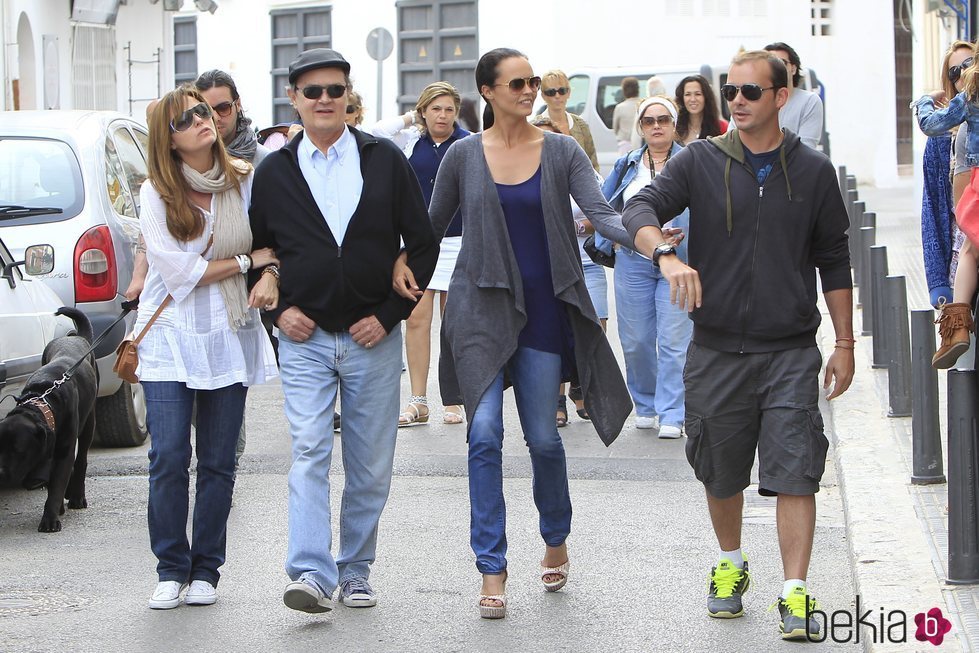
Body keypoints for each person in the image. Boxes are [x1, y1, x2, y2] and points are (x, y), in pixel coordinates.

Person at [623, 50, 853, 642]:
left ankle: (795, 590)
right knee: (721, 473)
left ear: (783, 96)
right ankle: (730, 563)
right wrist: (665, 255)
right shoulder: (700, 160)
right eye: (732, 91)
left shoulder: (813, 171)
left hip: (790, 349)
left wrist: (845, 341)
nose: (739, 100)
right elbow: (639, 208)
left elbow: (835, 260)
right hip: (718, 347)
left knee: (797, 470)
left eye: (751, 91)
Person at [397, 47, 633, 620]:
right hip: (479, 309)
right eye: (519, 82)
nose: (530, 91)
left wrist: (650, 242)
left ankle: (555, 533)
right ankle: (492, 567)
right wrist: (399, 262)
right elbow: (430, 227)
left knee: (544, 440)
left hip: (544, 312)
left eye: (534, 82)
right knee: (481, 437)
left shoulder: (561, 150)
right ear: (489, 91)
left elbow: (601, 215)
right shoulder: (461, 156)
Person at [249, 48, 438, 614]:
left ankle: (355, 570)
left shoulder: (383, 160)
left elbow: (422, 244)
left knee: (370, 460)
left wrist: (387, 316)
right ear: (294, 101)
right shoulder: (275, 171)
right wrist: (276, 315)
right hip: (303, 339)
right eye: (313, 93)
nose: (325, 100)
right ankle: (310, 571)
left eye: (335, 90)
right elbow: (259, 253)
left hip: (370, 340)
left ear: (349, 96)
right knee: (308, 449)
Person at [139, 85, 279, 610]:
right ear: (169, 141)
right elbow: (179, 273)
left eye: (204, 111)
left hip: (229, 333)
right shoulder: (156, 192)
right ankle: (170, 567)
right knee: (169, 456)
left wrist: (271, 267)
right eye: (186, 119)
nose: (202, 120)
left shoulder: (242, 183)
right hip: (169, 339)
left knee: (219, 461)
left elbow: (277, 244)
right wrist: (246, 263)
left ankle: (206, 570)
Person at [371, 81, 470, 426]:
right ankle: (418, 400)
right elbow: (376, 132)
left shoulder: (469, 143)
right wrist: (409, 117)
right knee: (415, 319)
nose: (442, 116)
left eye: (448, 109)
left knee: (453, 324)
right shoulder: (410, 141)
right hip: (420, 243)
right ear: (424, 111)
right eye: (435, 109)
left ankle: (454, 399)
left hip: (460, 241)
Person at [597, 96, 692, 437]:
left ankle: (672, 412)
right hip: (633, 260)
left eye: (663, 120)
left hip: (677, 263)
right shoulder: (626, 165)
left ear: (674, 124)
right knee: (636, 340)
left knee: (673, 339)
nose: (656, 126)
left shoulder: (692, 161)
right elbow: (603, 210)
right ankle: (647, 403)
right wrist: (626, 232)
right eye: (649, 120)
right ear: (640, 126)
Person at [535, 116, 610, 425]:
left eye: (551, 138)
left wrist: (576, 226)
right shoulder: (523, 173)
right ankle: (557, 399)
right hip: (548, 265)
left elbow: (604, 212)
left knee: (594, 327)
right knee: (555, 332)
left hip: (587, 263)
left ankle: (583, 385)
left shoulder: (578, 168)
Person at [915, 41, 979, 368]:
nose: (964, 72)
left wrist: (923, 103)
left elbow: (927, 121)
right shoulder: (943, 143)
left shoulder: (968, 106)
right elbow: (934, 215)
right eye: (956, 70)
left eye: (970, 64)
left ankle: (956, 328)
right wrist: (939, 283)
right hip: (962, 258)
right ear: (949, 82)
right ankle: (957, 324)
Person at [195, 69, 270, 166]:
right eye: (205, 110)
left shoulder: (265, 161)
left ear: (238, 104)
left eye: (223, 108)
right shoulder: (187, 160)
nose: (215, 118)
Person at [531, 69, 599, 171]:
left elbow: (593, 164)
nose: (557, 96)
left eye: (562, 91)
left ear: (568, 93)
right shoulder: (534, 127)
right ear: (543, 96)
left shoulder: (581, 125)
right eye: (551, 92)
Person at [762, 42, 824, 150]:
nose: (775, 69)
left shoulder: (809, 101)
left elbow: (806, 151)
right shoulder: (749, 99)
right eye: (768, 64)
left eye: (782, 63)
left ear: (793, 68)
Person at [674, 75, 728, 146]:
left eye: (698, 94)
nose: (693, 99)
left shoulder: (722, 127)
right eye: (687, 94)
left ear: (706, 97)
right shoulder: (674, 128)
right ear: (682, 98)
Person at [612, 76, 641, 155]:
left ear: (624, 90)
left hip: (624, 144)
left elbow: (615, 128)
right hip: (642, 144)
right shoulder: (642, 104)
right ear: (638, 89)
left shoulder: (620, 107)